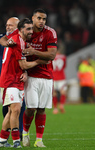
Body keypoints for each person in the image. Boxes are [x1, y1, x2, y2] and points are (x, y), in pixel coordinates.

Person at [0, 18, 48, 148]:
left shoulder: (20, 40)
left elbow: (3, 40)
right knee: (16, 109)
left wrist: (24, 72)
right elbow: (24, 64)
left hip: (17, 79)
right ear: (20, 30)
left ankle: (2, 140)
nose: (31, 31)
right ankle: (16, 141)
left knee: (11, 112)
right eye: (28, 29)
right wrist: (39, 61)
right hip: (10, 80)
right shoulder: (17, 41)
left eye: (31, 28)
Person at [21, 9, 57, 147]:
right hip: (31, 76)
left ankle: (39, 140)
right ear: (33, 18)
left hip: (47, 76)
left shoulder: (50, 32)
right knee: (31, 108)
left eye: (44, 19)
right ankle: (25, 134)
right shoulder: (27, 31)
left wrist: (34, 52)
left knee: (42, 109)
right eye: (39, 18)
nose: (41, 21)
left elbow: (52, 55)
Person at [52, 49, 67, 114]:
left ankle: (55, 109)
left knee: (54, 93)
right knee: (63, 92)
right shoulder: (63, 57)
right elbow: (64, 66)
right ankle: (61, 105)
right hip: (61, 77)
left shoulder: (51, 56)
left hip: (53, 77)